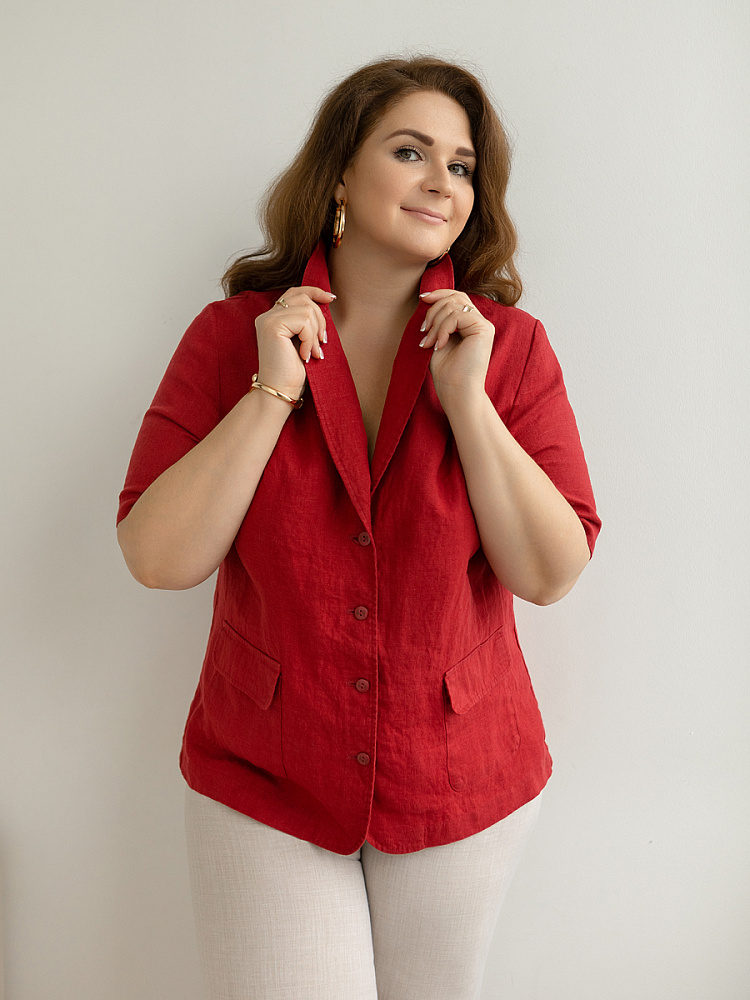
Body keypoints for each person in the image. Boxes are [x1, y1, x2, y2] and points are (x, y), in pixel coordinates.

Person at [117, 54, 601, 1000]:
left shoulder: (511, 350)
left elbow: (548, 573)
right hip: (265, 774)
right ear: (340, 172)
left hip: (460, 773)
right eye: (410, 151)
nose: (441, 182)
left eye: (461, 166)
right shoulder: (230, 337)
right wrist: (271, 393)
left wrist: (470, 404)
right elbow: (157, 558)